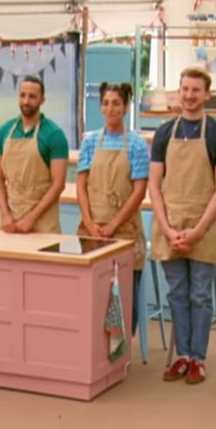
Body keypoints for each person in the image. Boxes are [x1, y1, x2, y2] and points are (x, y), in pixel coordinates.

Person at [147, 66, 216, 385]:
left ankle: (198, 358)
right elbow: (154, 185)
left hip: (205, 225)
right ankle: (182, 355)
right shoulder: (163, 133)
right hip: (169, 223)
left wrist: (196, 231)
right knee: (177, 293)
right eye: (185, 89)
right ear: (178, 91)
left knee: (200, 294)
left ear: (207, 95)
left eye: (196, 90)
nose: (189, 95)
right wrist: (169, 229)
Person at [75, 81, 150, 306]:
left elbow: (139, 191)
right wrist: (89, 224)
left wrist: (113, 226)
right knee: (92, 298)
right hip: (93, 231)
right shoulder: (89, 142)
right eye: (106, 103)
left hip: (124, 230)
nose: (111, 109)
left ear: (126, 107)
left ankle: (126, 340)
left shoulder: (136, 144)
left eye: (116, 103)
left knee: (125, 297)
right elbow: (81, 185)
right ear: (100, 107)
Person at [0, 74, 70, 235]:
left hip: (43, 223)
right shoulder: (4, 132)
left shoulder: (54, 135)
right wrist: (5, 215)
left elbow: (58, 184)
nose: (26, 101)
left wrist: (31, 218)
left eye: (32, 97)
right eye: (22, 95)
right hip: (10, 221)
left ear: (42, 100)